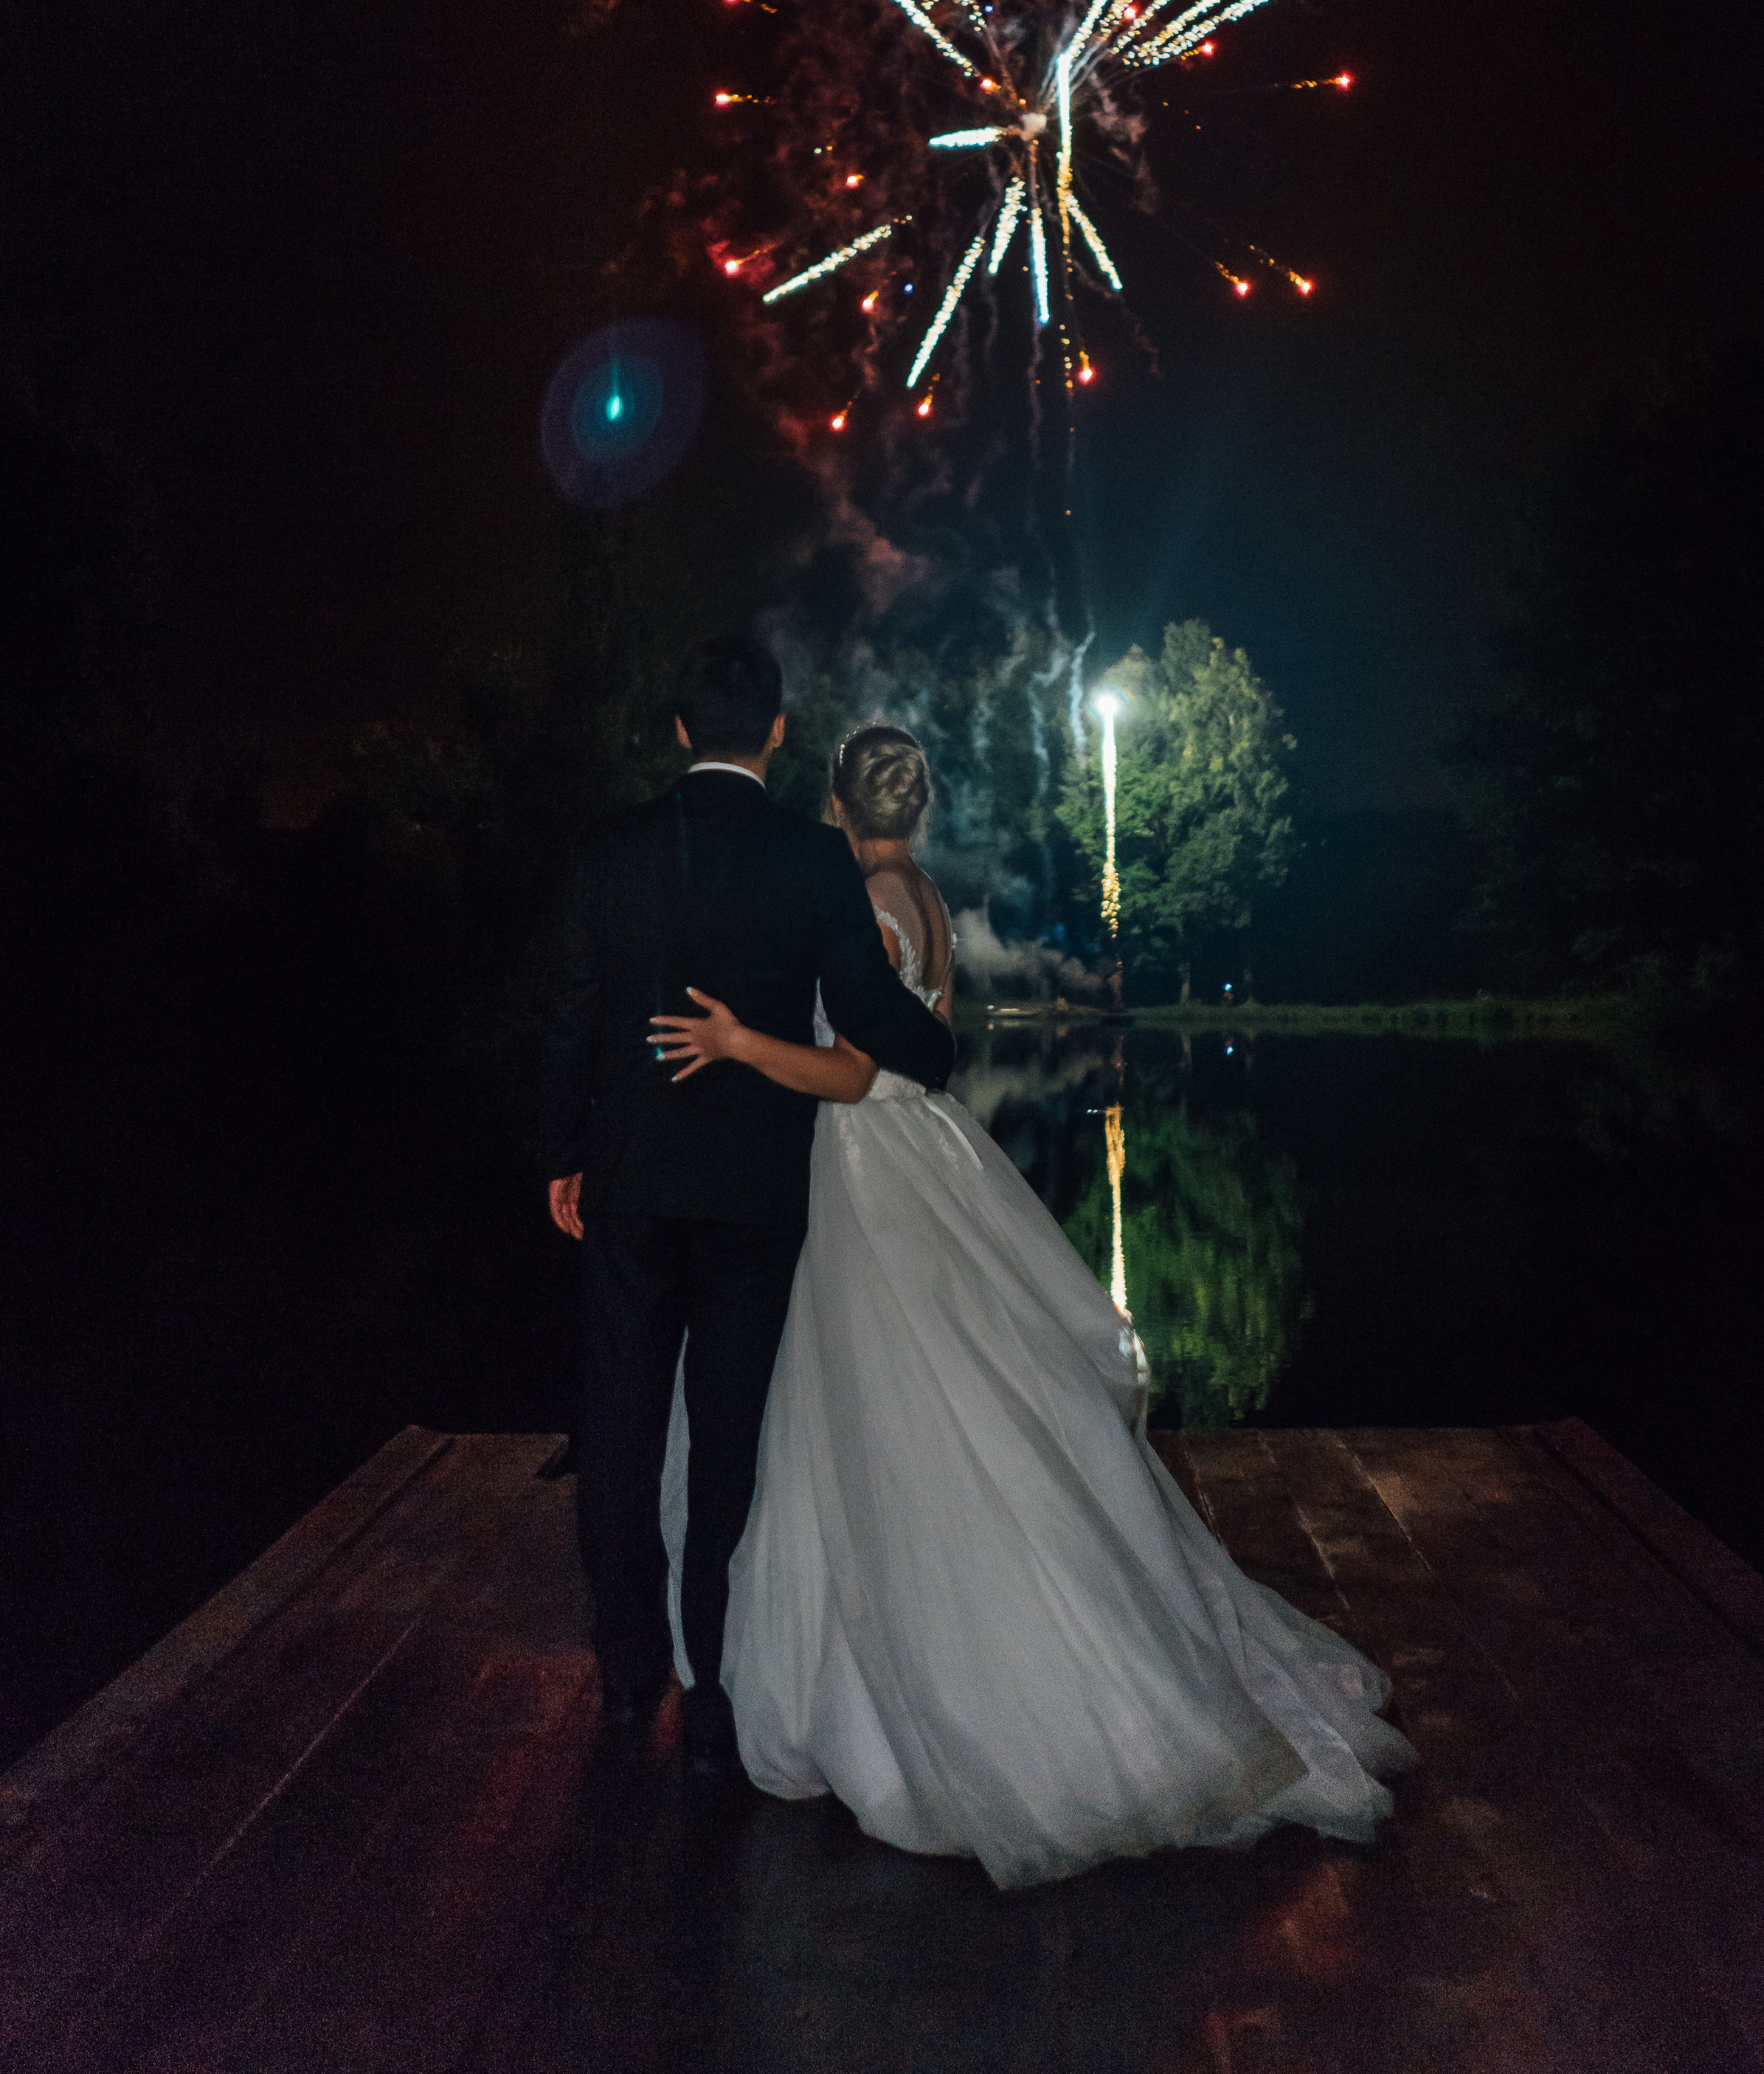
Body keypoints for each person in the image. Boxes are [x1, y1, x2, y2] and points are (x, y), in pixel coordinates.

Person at [648, 722, 1416, 1890]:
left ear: (838, 806)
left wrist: (742, 1043)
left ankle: (941, 1680)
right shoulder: (928, 892)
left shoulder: (865, 898)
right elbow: (926, 1039)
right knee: (952, 1389)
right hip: (927, 1155)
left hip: (868, 1164)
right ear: (916, 806)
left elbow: (858, 1069)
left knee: (888, 1400)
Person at [539, 642, 956, 1773]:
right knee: (729, 1425)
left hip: (628, 1178)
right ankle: (713, 1671)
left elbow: (569, 1013)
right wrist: (941, 1052)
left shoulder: (608, 850)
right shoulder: (814, 857)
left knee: (618, 1421)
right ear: (776, 731)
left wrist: (562, 1154)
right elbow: (869, 1004)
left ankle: (629, 1664)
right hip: (753, 1191)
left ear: (679, 730)